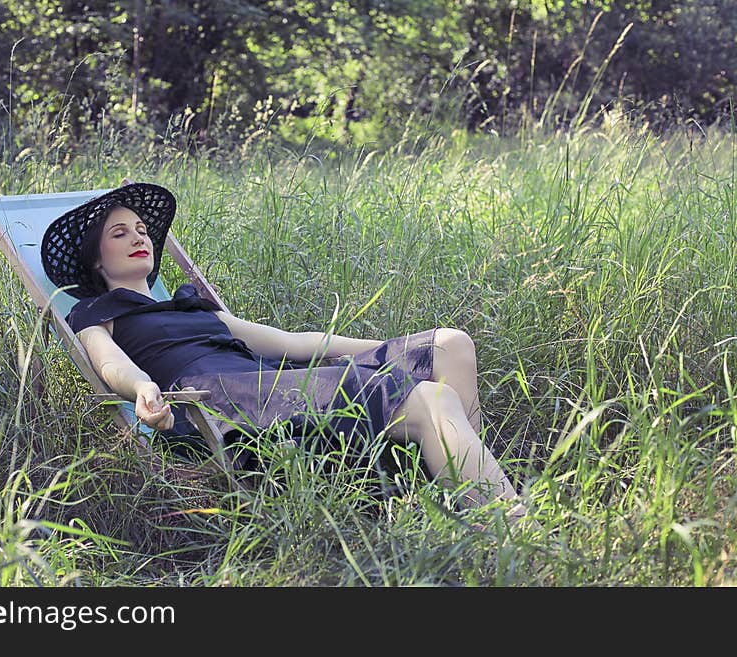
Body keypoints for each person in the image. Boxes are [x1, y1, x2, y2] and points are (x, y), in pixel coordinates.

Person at [41, 182, 526, 517]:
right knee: (429, 399)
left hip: (270, 385)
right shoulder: (99, 311)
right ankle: (507, 527)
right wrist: (143, 388)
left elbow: (295, 344)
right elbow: (107, 361)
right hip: (225, 404)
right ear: (96, 260)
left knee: (450, 346)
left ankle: (461, 493)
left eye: (142, 230)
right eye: (119, 233)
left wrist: (390, 349)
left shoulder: (194, 309)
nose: (138, 238)